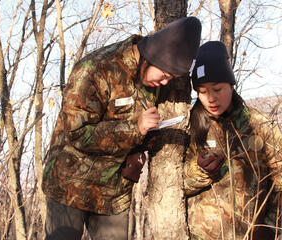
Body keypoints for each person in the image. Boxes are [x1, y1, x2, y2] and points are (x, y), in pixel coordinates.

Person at [42, 16, 202, 240]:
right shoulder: (96, 69)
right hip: (70, 188)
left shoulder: (151, 77)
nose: (165, 83)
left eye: (171, 78)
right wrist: (134, 129)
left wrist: (148, 138)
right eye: (165, 75)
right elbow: (77, 133)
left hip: (114, 194)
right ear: (152, 55)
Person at [183, 41, 282, 240]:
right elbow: (170, 185)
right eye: (202, 92)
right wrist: (199, 171)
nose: (210, 98)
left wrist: (270, 227)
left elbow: (280, 179)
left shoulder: (259, 126)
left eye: (217, 89)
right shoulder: (189, 128)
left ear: (231, 85)